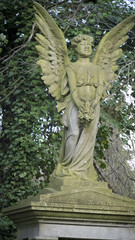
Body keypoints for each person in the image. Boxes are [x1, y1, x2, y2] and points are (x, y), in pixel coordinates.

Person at [55, 34, 105, 180]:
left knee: (89, 137)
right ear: (76, 48)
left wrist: (94, 102)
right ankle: (68, 166)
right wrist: (81, 105)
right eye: (83, 45)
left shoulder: (97, 68)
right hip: (75, 104)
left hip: (94, 106)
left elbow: (101, 86)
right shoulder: (72, 67)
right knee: (74, 133)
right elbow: (73, 88)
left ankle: (82, 170)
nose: (87, 47)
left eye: (89, 45)